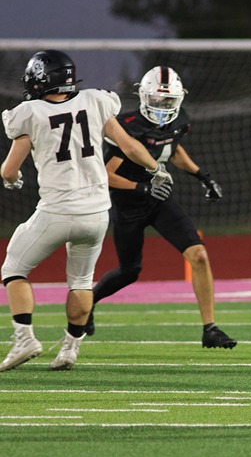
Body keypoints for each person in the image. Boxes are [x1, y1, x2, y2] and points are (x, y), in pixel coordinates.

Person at [0, 50, 172, 371]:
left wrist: (13, 180)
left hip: (57, 210)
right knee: (81, 281)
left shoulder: (29, 112)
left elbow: (10, 169)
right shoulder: (95, 101)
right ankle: (70, 348)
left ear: (39, 80)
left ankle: (25, 338)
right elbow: (130, 146)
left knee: (14, 269)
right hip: (96, 213)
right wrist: (155, 169)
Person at [88, 66, 236, 349]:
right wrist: (142, 187)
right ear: (144, 97)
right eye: (156, 100)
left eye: (168, 101)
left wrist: (202, 176)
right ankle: (89, 301)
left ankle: (210, 329)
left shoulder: (178, 120)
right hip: (128, 203)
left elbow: (172, 148)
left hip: (160, 198)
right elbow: (106, 176)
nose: (162, 106)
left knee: (199, 255)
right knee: (129, 271)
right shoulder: (127, 125)